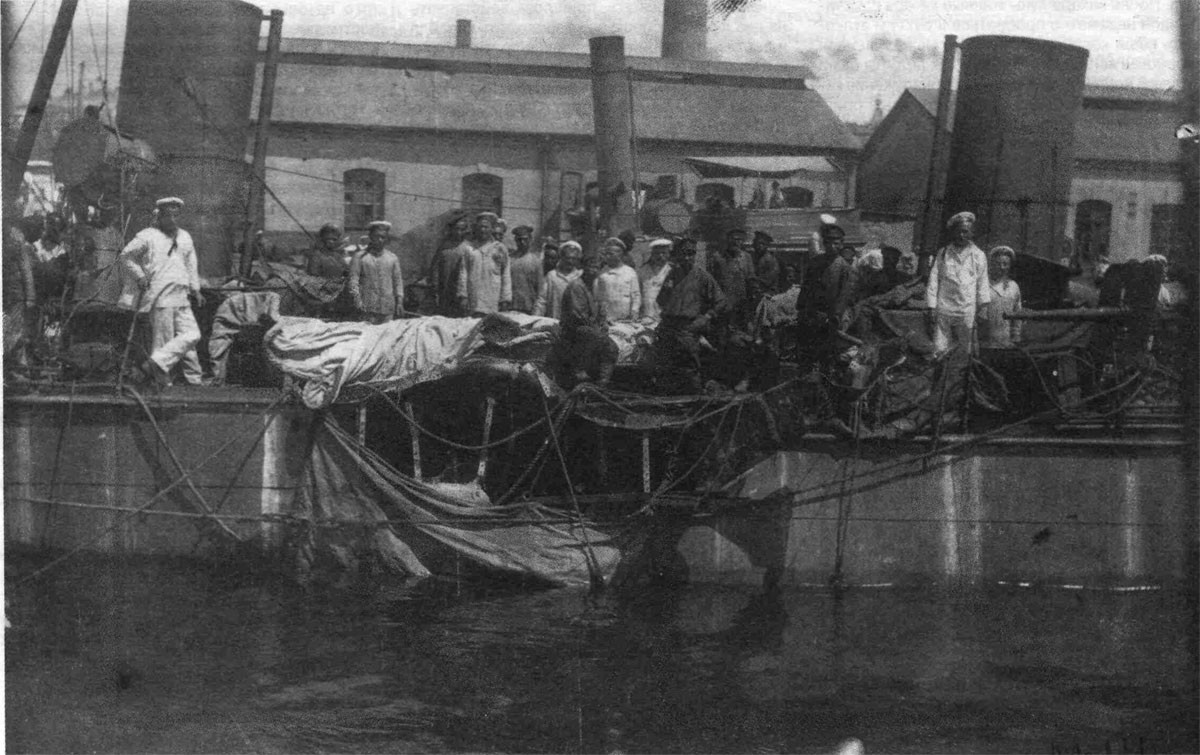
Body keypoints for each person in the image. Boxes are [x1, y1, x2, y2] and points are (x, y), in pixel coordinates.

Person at [120, 197, 205, 387]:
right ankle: (164, 385)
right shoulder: (147, 236)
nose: (173, 220)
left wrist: (196, 289)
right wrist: (140, 276)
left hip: (182, 295)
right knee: (163, 342)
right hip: (160, 297)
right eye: (169, 216)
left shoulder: (184, 236)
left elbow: (191, 264)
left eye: (176, 216)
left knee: (192, 336)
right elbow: (126, 256)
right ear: (160, 216)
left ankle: (187, 377)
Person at [656, 237, 726, 394]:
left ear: (695, 255)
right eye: (683, 254)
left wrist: (706, 317)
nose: (687, 258)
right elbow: (661, 299)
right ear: (678, 255)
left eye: (691, 254)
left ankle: (695, 401)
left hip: (688, 327)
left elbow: (720, 301)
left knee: (689, 366)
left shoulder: (702, 276)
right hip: (669, 326)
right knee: (665, 366)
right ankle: (670, 404)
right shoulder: (672, 274)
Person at [925, 211, 990, 357]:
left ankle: (959, 377)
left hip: (966, 310)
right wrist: (931, 307)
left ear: (972, 233)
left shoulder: (978, 255)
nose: (962, 235)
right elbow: (934, 279)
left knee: (965, 350)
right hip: (944, 309)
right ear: (953, 232)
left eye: (966, 232)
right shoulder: (943, 253)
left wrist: (983, 308)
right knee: (940, 349)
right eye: (959, 231)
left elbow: (982, 282)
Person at [555, 250, 618, 387]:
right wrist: (597, 328)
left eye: (597, 267)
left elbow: (601, 309)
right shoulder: (576, 286)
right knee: (602, 342)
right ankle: (580, 373)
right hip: (574, 330)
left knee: (612, 347)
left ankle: (603, 383)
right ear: (583, 267)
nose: (594, 270)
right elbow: (578, 315)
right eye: (591, 266)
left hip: (588, 328)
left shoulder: (594, 286)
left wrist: (603, 323)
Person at [348, 220, 405, 324]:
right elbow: (353, 281)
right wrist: (357, 301)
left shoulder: (392, 258)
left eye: (382, 237)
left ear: (386, 239)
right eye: (376, 236)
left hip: (387, 308)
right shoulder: (360, 257)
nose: (379, 240)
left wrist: (399, 302)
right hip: (367, 308)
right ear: (370, 237)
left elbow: (397, 281)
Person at [457, 212, 512, 315]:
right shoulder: (469, 249)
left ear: (491, 229)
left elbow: (506, 274)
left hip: (493, 297)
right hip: (474, 297)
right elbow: (463, 273)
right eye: (480, 227)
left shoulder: (499, 248)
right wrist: (463, 296)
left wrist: (505, 299)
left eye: (486, 227)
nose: (483, 230)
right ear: (476, 228)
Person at [708, 227, 755, 330]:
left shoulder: (747, 257)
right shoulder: (717, 257)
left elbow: (751, 280)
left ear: (742, 242)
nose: (735, 242)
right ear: (727, 240)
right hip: (722, 303)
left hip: (741, 303)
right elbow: (710, 281)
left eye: (739, 239)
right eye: (733, 239)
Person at [429, 214, 471, 316]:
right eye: (456, 229)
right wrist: (435, 288)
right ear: (451, 229)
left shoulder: (469, 247)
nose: (458, 232)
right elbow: (435, 270)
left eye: (462, 229)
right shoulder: (444, 248)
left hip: (464, 294)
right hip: (445, 292)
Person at [981, 245, 1022, 348]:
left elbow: (1017, 315)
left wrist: (1015, 337)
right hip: (985, 342)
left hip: (1006, 343)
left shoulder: (1013, 286)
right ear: (991, 264)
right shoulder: (983, 285)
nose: (1002, 267)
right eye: (998, 264)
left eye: (1005, 264)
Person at [595, 236, 641, 322]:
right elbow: (599, 297)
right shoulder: (602, 273)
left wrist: (634, 312)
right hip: (608, 319)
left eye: (611, 254)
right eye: (606, 254)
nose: (607, 257)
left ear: (620, 255)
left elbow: (636, 295)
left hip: (626, 319)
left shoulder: (630, 272)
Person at [534, 240, 582, 318]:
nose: (570, 261)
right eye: (568, 258)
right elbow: (542, 301)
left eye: (574, 258)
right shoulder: (552, 276)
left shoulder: (580, 276)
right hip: (555, 321)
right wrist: (535, 318)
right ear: (561, 257)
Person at [508, 225, 543, 314]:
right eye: (519, 240)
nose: (522, 242)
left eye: (525, 239)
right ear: (515, 241)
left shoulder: (536, 261)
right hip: (510, 306)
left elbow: (540, 289)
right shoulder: (509, 259)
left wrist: (537, 310)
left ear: (530, 240)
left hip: (528, 307)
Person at [638, 238, 672, 322]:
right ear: (652, 254)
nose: (660, 256)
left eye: (663, 253)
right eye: (657, 253)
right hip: (646, 316)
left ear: (668, 254)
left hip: (665, 317)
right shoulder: (642, 271)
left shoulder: (672, 271)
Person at [751, 230, 781, 296]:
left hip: (768, 295)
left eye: (762, 244)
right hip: (757, 294)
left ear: (767, 246)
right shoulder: (754, 258)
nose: (759, 246)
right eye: (757, 243)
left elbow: (767, 281)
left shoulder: (770, 260)